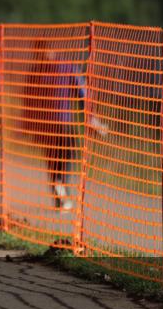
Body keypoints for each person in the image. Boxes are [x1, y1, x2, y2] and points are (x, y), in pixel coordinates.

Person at [24, 40, 107, 211]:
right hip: (55, 124)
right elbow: (82, 92)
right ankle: (60, 188)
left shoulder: (53, 69)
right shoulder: (59, 68)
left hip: (53, 124)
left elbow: (81, 93)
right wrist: (91, 118)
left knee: (59, 157)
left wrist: (91, 118)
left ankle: (59, 191)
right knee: (61, 156)